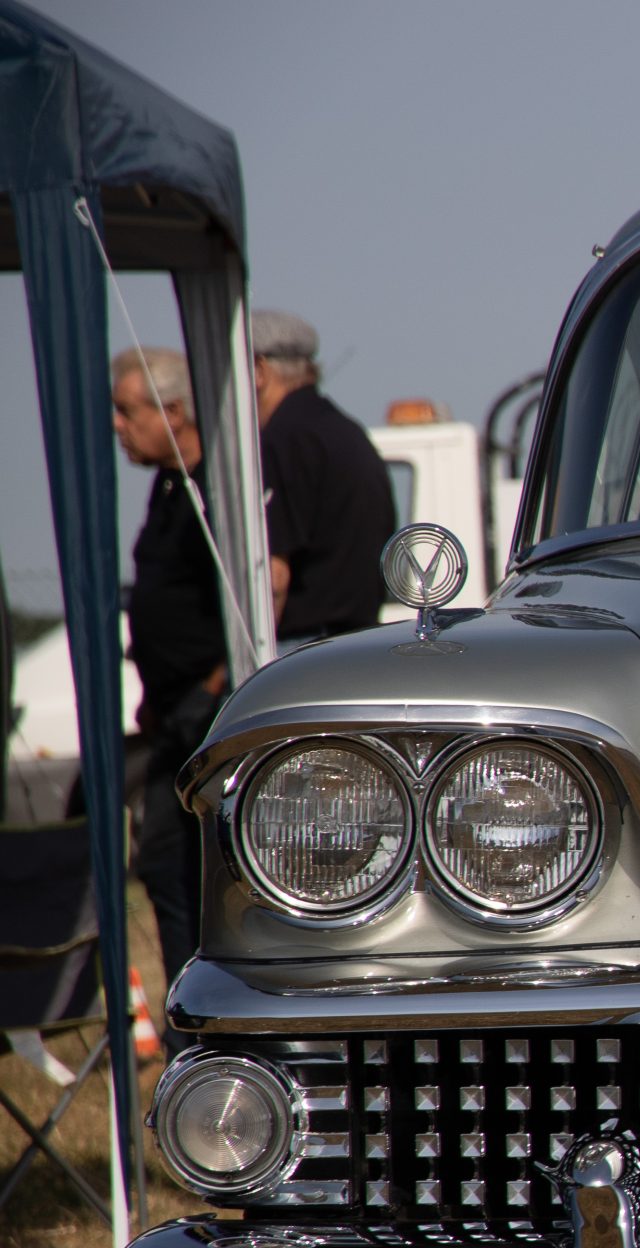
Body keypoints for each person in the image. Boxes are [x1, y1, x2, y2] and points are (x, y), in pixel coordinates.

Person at [109, 345, 228, 983]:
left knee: (193, 868)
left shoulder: (214, 490)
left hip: (205, 711)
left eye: (128, 412)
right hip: (172, 711)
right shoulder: (168, 484)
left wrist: (208, 693)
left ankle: (204, 1019)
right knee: (162, 864)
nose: (118, 427)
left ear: (175, 410)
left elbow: (239, 595)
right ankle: (188, 1010)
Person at [250, 309, 396, 643]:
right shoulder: (345, 430)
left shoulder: (281, 437)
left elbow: (274, 577)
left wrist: (256, 663)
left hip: (302, 644)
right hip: (354, 641)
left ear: (259, 370)